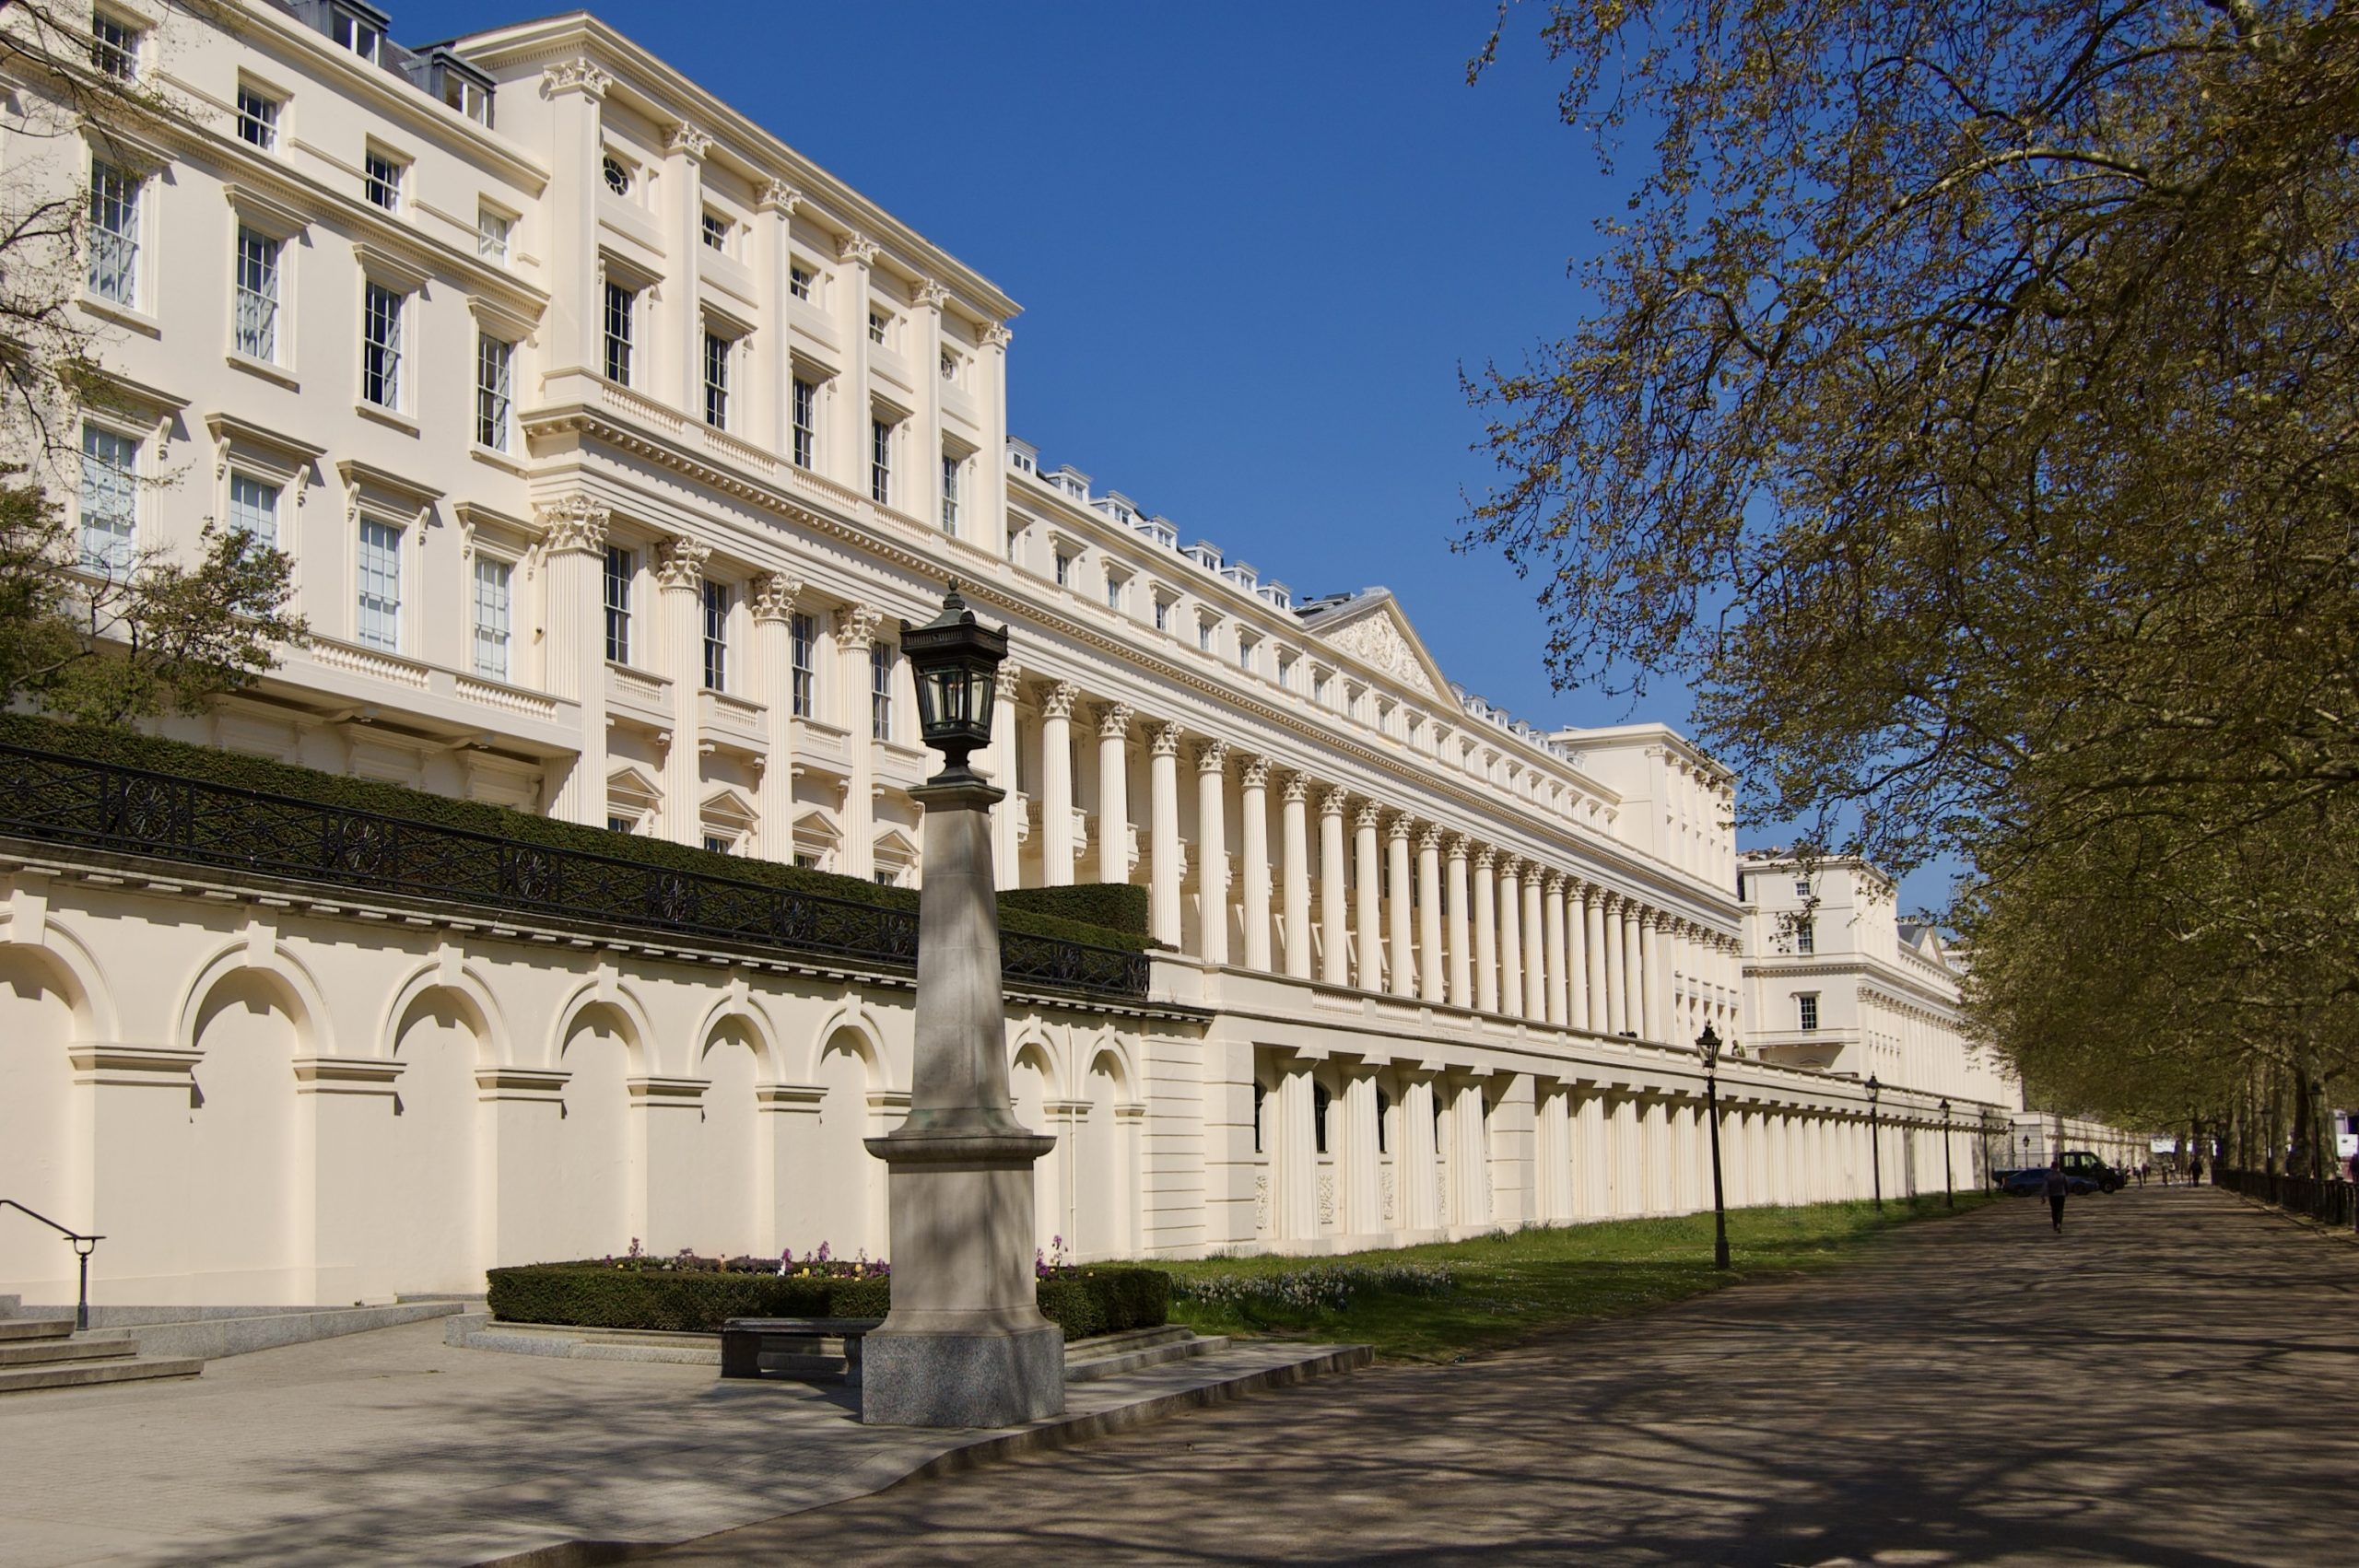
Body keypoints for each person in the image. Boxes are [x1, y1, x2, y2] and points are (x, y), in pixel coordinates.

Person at [2043, 1157, 2070, 1233]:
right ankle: (2059, 1224)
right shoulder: (2062, 1175)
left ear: (2051, 1167)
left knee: (2054, 1210)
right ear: (2058, 1167)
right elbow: (2067, 1184)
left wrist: (2043, 1196)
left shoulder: (2048, 1176)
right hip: (2061, 1195)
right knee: (2060, 1210)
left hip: (2052, 1195)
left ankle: (2055, 1225)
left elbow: (2045, 1186)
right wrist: (2067, 1192)